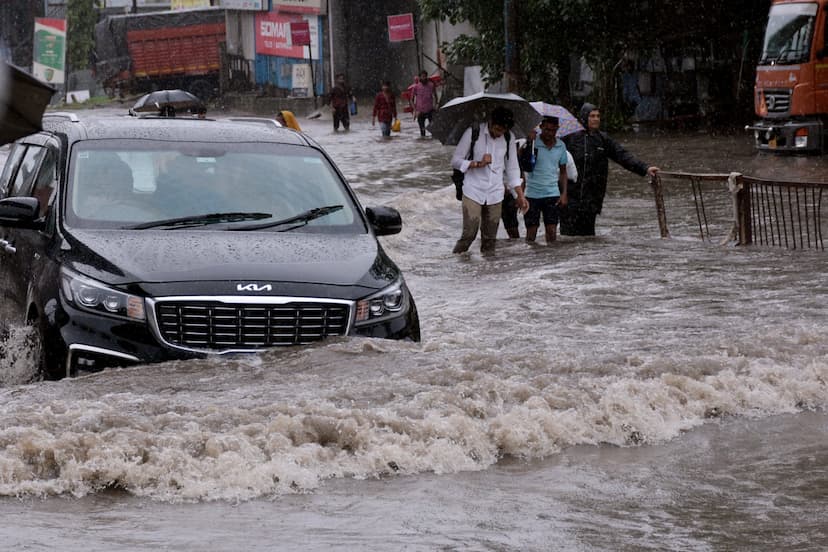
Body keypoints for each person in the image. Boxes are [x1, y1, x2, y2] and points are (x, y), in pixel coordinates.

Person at [561, 103, 659, 236]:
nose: (596, 119)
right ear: (584, 118)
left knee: (588, 240)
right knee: (567, 239)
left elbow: (622, 155)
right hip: (570, 198)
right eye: (592, 116)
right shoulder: (570, 138)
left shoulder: (603, 139)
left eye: (598, 116)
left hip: (591, 200)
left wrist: (645, 168)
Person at [451, 106, 528, 256]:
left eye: (503, 131)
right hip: (473, 189)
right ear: (491, 122)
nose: (500, 134)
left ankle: (487, 274)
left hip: (495, 193)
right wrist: (477, 163)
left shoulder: (508, 137)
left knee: (490, 239)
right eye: (498, 129)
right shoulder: (473, 133)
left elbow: (512, 169)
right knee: (469, 234)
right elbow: (455, 161)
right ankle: (456, 265)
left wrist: (520, 195)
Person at [521, 116, 569, 244]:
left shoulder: (561, 145)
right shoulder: (533, 142)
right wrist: (528, 141)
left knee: (552, 233)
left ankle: (551, 261)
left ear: (557, 129)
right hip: (532, 195)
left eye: (553, 130)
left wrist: (564, 194)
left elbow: (563, 172)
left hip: (552, 193)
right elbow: (519, 162)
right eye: (547, 130)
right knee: (531, 234)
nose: (549, 133)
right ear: (541, 127)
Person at [411, 70, 438, 137]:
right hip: (420, 111)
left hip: (430, 110)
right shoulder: (416, 87)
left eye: (425, 76)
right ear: (419, 77)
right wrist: (415, 110)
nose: (424, 78)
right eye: (422, 76)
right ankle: (423, 143)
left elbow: (435, 96)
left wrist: (435, 105)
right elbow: (411, 99)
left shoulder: (431, 85)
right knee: (422, 131)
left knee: (433, 130)